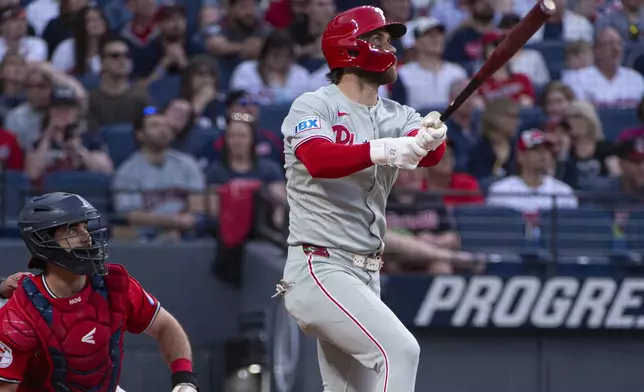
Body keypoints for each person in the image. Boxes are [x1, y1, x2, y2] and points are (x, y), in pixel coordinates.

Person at [273, 6, 447, 392]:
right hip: (319, 265)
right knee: (400, 352)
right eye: (379, 39)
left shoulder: (396, 113)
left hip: (367, 272)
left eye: (389, 40)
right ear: (349, 49)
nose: (391, 49)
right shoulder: (313, 105)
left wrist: (432, 136)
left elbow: (429, 152)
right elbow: (318, 159)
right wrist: (386, 149)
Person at [0, 192, 199, 392]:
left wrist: (185, 379)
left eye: (85, 227)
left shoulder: (114, 284)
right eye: (72, 230)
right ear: (42, 240)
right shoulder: (19, 312)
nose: (87, 237)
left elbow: (165, 326)